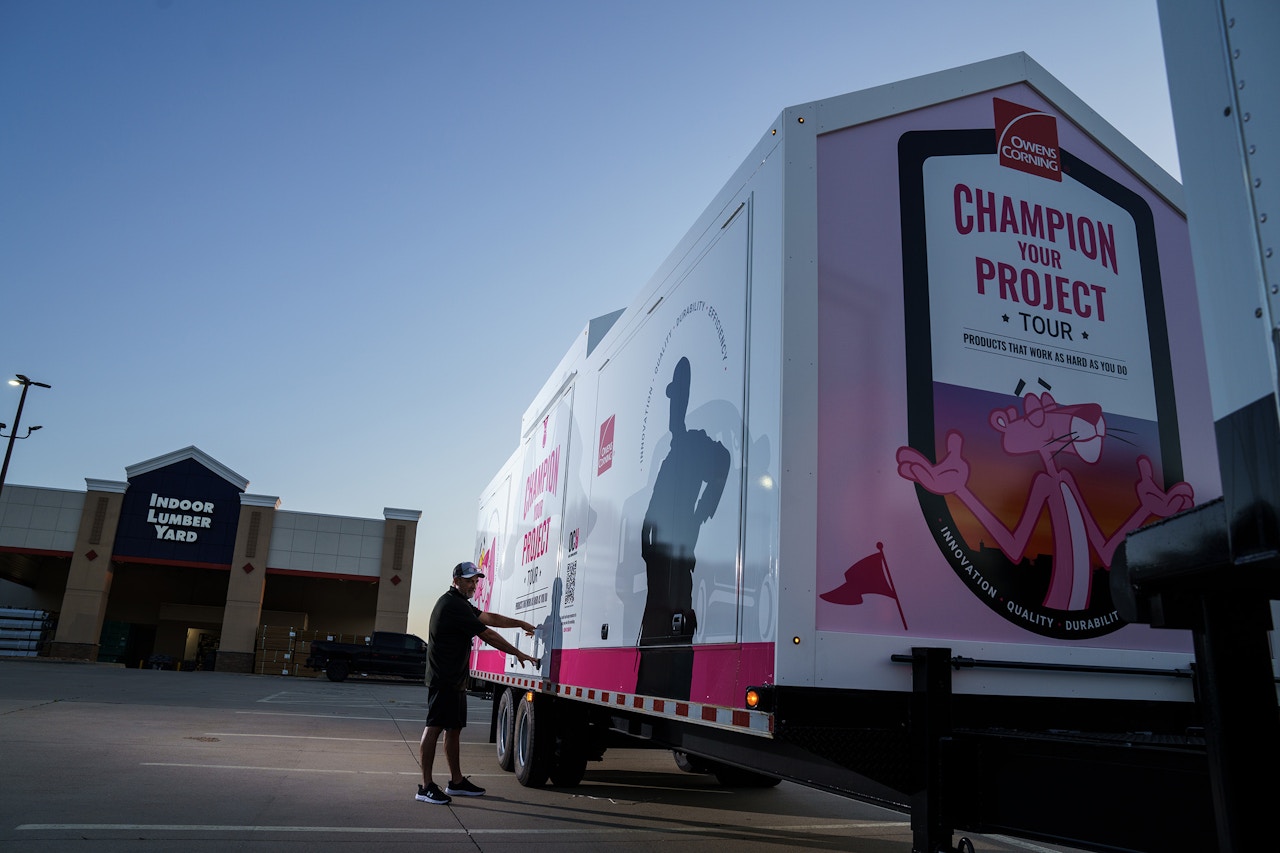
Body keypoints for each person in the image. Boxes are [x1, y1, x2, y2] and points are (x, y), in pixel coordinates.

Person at [417, 560, 540, 805]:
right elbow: (487, 633)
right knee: (434, 727)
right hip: (444, 679)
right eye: (469, 580)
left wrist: (519, 623)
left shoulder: (461, 604)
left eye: (476, 580)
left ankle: (457, 782)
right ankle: (426, 786)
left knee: (454, 729)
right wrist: (517, 652)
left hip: (455, 680)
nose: (473, 584)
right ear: (456, 581)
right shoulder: (452, 605)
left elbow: (490, 617)